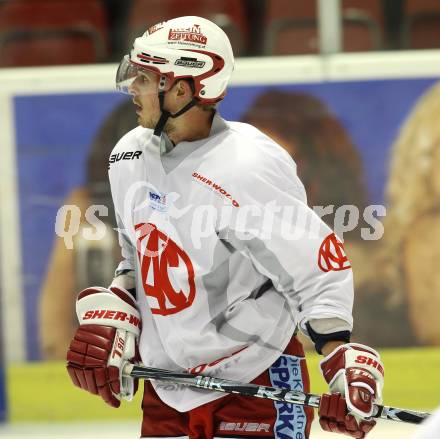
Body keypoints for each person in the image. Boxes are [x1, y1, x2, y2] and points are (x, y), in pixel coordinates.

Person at [65, 16, 384, 439]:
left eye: (145, 78)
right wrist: (118, 313)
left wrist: (341, 356)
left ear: (182, 89)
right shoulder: (128, 156)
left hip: (257, 379)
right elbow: (138, 259)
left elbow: (314, 272)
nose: (132, 88)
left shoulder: (248, 166)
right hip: (167, 387)